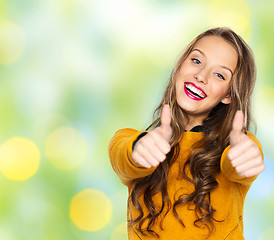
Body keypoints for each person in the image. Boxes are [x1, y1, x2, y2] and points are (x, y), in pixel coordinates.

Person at [108, 27, 264, 239]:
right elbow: (123, 153)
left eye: (219, 74)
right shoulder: (135, 140)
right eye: (197, 61)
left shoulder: (236, 146)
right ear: (180, 66)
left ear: (228, 94)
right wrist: (139, 149)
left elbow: (239, 163)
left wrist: (243, 158)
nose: (201, 76)